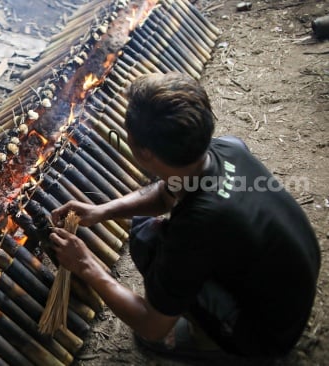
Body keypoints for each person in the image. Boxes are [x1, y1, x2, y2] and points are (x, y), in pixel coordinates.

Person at [50, 72, 320, 360]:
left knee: (150, 246)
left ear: (144, 152)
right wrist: (102, 211)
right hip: (289, 287)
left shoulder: (195, 228)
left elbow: (151, 326)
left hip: (266, 335)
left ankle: (208, 342)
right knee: (146, 228)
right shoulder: (227, 148)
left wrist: (86, 264)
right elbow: (169, 192)